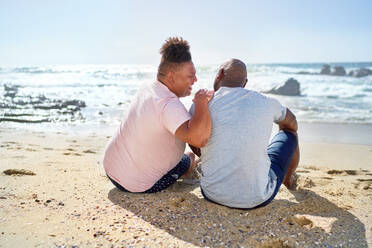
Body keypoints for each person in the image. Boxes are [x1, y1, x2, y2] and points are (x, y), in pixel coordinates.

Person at [103, 37, 213, 193]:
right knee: (188, 158)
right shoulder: (168, 105)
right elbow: (199, 139)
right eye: (190, 76)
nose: (195, 80)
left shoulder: (148, 87)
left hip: (111, 167)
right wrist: (201, 102)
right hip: (137, 184)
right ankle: (187, 164)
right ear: (171, 76)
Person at [190, 59, 299, 209]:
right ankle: (287, 179)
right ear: (245, 82)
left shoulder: (200, 104)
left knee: (196, 131)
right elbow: (292, 122)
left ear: (220, 74)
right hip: (258, 198)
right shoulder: (266, 101)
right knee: (290, 133)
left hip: (211, 193)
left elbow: (193, 137)